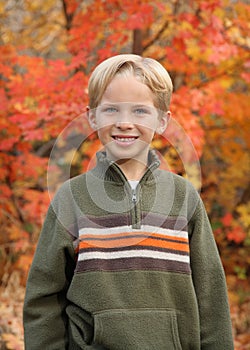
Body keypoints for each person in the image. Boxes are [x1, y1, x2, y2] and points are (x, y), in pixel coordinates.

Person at [23, 54, 234, 350]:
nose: (124, 123)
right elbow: (44, 299)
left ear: (162, 121)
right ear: (92, 117)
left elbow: (211, 295)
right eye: (111, 110)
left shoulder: (184, 197)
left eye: (139, 111)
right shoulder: (71, 198)